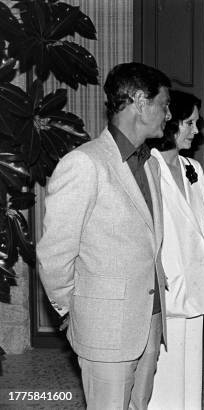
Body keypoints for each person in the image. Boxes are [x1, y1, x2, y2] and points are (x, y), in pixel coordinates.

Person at [37, 62, 171, 409]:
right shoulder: (84, 163)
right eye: (163, 104)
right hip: (106, 328)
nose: (168, 114)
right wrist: (71, 312)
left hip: (150, 320)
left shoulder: (151, 165)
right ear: (140, 102)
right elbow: (55, 254)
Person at [148, 90, 204, 410]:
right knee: (165, 371)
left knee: (191, 368)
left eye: (197, 123)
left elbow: (203, 223)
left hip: (195, 281)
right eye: (189, 123)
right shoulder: (146, 166)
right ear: (169, 122)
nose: (196, 130)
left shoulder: (194, 168)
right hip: (164, 284)